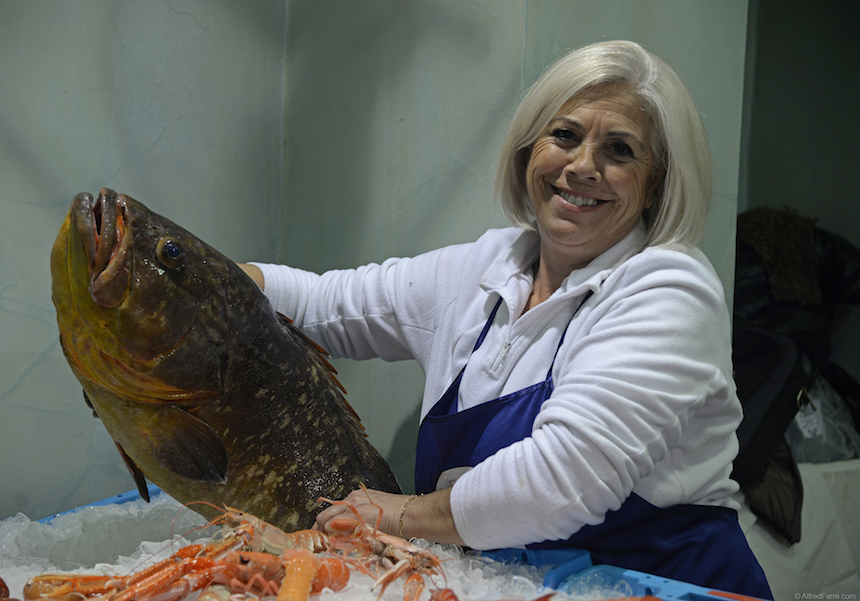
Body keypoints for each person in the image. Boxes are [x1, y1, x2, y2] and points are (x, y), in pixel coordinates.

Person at [239, 40, 772, 599]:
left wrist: (398, 515)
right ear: (527, 152)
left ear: (656, 182)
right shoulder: (489, 265)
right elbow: (327, 304)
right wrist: (190, 276)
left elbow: (560, 481)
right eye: (564, 136)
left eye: (619, 150)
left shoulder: (670, 288)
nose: (582, 166)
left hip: (664, 586)